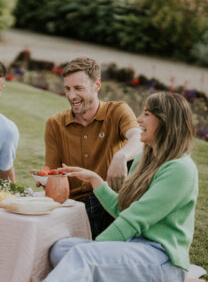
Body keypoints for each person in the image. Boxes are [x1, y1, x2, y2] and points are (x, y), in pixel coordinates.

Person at [44, 92, 198, 282]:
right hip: (134, 246)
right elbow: (123, 209)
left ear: (166, 121)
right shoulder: (144, 159)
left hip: (162, 257)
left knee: (82, 256)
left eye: (147, 114)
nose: (139, 119)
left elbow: (133, 220)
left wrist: (94, 248)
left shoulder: (180, 169)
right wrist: (95, 180)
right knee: (60, 249)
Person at [43, 56, 142, 238]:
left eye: (78, 88)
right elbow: (53, 173)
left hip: (107, 201)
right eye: (67, 89)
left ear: (97, 85)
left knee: (135, 162)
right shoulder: (55, 124)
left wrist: (121, 156)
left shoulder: (117, 111)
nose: (71, 96)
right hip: (75, 207)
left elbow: (138, 137)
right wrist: (43, 178)